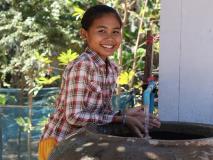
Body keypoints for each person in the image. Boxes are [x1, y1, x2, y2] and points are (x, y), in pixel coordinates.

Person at [38, 4, 160, 160]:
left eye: (115, 32)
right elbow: (74, 116)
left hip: (84, 144)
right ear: (84, 34)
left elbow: (100, 114)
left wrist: (123, 113)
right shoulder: (83, 66)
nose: (110, 38)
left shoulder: (112, 68)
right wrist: (120, 119)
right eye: (101, 31)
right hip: (60, 144)